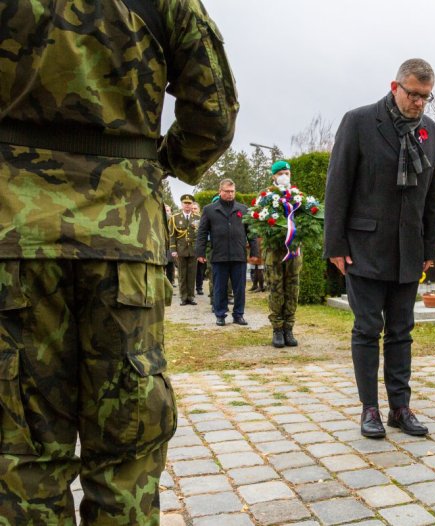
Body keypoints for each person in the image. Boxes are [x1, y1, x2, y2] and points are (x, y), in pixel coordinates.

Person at [0, 1, 238, 523]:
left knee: (20, 457)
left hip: (14, 235)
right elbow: (214, 112)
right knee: (127, 453)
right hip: (125, 239)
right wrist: (152, 165)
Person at [324, 59, 435, 438]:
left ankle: (400, 407)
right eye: (413, 94)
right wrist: (336, 245)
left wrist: (428, 246)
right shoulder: (359, 122)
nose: (419, 103)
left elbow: (433, 196)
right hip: (365, 247)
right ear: (395, 86)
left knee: (402, 331)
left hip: (408, 249)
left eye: (426, 97)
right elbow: (338, 185)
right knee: (367, 328)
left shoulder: (431, 133)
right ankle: (370, 408)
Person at [197, 179, 259, 326]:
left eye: (232, 191)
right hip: (219, 255)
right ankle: (220, 314)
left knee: (239, 288)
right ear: (220, 191)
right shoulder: (209, 209)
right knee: (219, 287)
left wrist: (254, 251)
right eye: (226, 191)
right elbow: (202, 232)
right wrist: (200, 253)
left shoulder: (243, 209)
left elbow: (251, 233)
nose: (230, 194)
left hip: (238, 255)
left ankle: (238, 314)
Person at [266, 160, 303, 348]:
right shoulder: (266, 196)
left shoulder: (298, 196)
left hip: (294, 251)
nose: (284, 176)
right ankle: (277, 329)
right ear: (273, 176)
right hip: (275, 251)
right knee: (276, 287)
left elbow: (306, 220)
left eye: (287, 173)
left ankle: (289, 327)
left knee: (292, 287)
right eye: (280, 173)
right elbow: (260, 222)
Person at [169, 194, 201, 305]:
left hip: (193, 250)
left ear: (192, 205)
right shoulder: (175, 218)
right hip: (180, 250)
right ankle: (183, 297)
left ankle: (191, 297)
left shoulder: (197, 218)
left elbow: (199, 235)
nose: (187, 205)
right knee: (182, 274)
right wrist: (173, 250)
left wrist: (200, 250)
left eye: (189, 203)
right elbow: (172, 235)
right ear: (181, 204)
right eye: (185, 203)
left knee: (192, 274)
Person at [193, 202, 206, 295]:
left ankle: (199, 287)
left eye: (195, 208)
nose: (193, 210)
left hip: (201, 247)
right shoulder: (188, 219)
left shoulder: (203, 219)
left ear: (199, 210)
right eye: (192, 208)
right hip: (190, 248)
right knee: (191, 270)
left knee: (200, 269)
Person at [164, 204, 176, 286]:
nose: (166, 213)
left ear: (171, 212)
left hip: (169, 247)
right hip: (162, 247)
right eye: (165, 211)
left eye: (168, 211)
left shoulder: (173, 221)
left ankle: (170, 284)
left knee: (170, 267)